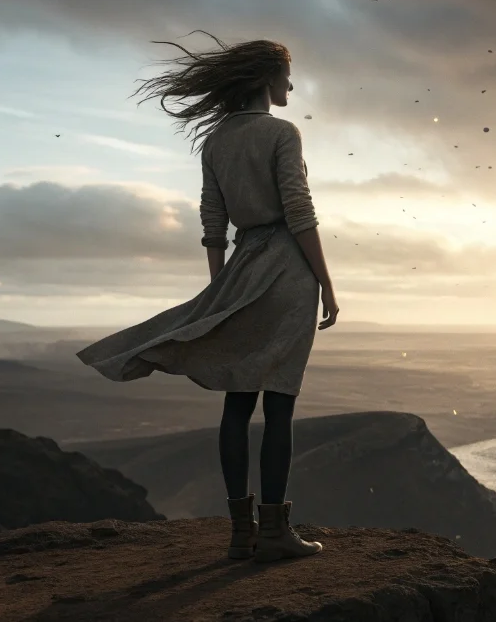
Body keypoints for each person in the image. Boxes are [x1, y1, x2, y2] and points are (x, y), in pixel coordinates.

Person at [76, 32, 335, 563]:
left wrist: (221, 286)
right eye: (287, 77)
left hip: (242, 266)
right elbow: (299, 211)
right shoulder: (282, 132)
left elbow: (213, 221)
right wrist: (326, 281)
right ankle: (275, 532)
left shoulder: (215, 142)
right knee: (279, 404)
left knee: (238, 401)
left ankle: (242, 533)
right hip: (288, 271)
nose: (291, 87)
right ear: (266, 79)